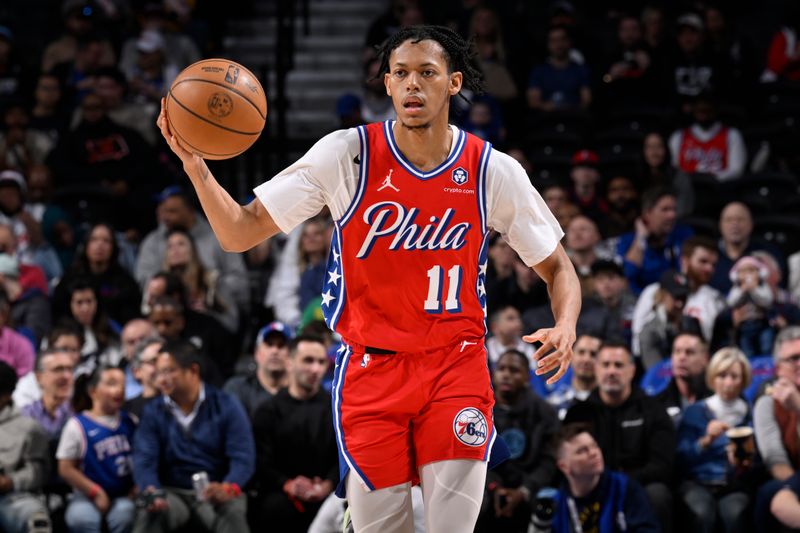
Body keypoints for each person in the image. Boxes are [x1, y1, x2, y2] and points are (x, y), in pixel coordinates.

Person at [157, 24, 581, 532]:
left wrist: (566, 323)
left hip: (455, 366)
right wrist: (197, 167)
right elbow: (239, 232)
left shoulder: (492, 170)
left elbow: (558, 267)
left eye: (427, 73)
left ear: (453, 83)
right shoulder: (346, 155)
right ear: (385, 84)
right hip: (370, 371)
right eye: (400, 73)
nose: (412, 85)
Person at [132, 339, 254, 533]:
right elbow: (144, 460)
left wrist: (229, 487)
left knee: (233, 513)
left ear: (193, 371)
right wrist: (152, 490)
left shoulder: (226, 405)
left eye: (169, 371)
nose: (161, 379)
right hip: (172, 493)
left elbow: (243, 458)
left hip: (216, 490)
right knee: (151, 511)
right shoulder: (153, 411)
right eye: (159, 372)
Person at [565, 340, 676, 533]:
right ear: (596, 370)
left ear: (632, 370)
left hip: (639, 486)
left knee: (658, 494)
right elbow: (568, 461)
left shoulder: (654, 411)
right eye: (605, 365)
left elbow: (662, 466)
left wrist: (619, 483)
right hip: (591, 487)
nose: (611, 371)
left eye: (618, 365)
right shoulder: (579, 413)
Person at [252, 334, 337, 532]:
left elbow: (344, 455)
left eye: (321, 362)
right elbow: (261, 460)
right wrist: (287, 484)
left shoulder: (337, 409)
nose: (316, 369)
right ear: (289, 362)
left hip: (328, 493)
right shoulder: (268, 411)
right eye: (308, 360)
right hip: (281, 496)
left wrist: (328, 483)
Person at [477, 349, 558, 533]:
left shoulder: (545, 412)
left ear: (526, 378)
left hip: (529, 489)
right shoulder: (479, 409)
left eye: (514, 370)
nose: (506, 374)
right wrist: (494, 486)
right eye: (502, 368)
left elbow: (548, 461)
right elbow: (474, 457)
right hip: (489, 487)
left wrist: (524, 490)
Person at [57, 366, 136, 533]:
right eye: (112, 384)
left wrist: (137, 486)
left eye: (123, 384)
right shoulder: (77, 425)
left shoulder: (131, 421)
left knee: (126, 514)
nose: (120, 389)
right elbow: (65, 468)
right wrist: (95, 492)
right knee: (81, 519)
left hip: (124, 494)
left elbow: (143, 459)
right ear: (93, 391)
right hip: (87, 494)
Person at [552, 423, 660, 533]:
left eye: (594, 445)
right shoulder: (556, 505)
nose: (594, 453)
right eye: (582, 451)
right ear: (564, 466)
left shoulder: (624, 488)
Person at [633, 235, 724, 357]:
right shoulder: (655, 290)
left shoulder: (715, 299)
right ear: (684, 260)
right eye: (703, 262)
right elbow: (638, 337)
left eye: (713, 265)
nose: (709, 269)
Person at [753, 326, 800, 531]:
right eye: (793, 358)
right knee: (771, 493)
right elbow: (776, 461)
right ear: (778, 369)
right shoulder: (767, 403)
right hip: (789, 480)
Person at [53, 222, 142, 327]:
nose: (100, 245)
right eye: (94, 240)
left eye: (106, 241)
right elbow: (58, 313)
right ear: (86, 245)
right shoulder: (70, 278)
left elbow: (132, 320)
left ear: (114, 248)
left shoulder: (125, 283)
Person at [0, 361, 51, 533]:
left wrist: (10, 482)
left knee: (35, 519)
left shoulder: (28, 427)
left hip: (12, 497)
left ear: (6, 395)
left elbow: (39, 471)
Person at [616, 186, 693, 294]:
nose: (672, 215)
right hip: (639, 301)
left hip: (678, 297)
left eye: (674, 209)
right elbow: (628, 274)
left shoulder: (684, 235)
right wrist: (641, 239)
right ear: (648, 213)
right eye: (665, 210)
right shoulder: (628, 241)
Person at [668, 93, 746, 182]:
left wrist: (709, 179)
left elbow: (736, 171)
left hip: (719, 189)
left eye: (707, 109)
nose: (703, 113)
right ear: (694, 109)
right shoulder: (679, 136)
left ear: (715, 109)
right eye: (699, 109)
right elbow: (673, 169)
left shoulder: (732, 135)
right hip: (686, 189)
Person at [711, 202, 785, 295]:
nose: (734, 224)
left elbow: (778, 288)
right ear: (720, 225)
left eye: (740, 219)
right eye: (729, 220)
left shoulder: (767, 254)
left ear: (751, 224)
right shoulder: (709, 254)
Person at [223, 321, 292, 419]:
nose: (275, 351)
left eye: (281, 345)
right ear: (257, 352)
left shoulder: (300, 393)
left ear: (291, 354)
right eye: (269, 344)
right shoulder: (238, 389)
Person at [526, 25, 591, 112]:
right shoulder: (539, 71)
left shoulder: (580, 70)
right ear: (548, 44)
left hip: (574, 118)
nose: (558, 44)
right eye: (554, 41)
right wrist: (549, 107)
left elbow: (586, 100)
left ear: (569, 41)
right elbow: (533, 102)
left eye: (562, 39)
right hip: (546, 119)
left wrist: (568, 108)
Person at [655, 330, 712, 425]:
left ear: (705, 359)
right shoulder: (658, 403)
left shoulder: (718, 398)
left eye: (689, 352)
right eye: (677, 352)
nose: (682, 357)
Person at [726, 256, 776, 356]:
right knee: (747, 351)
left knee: (766, 347)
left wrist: (754, 289)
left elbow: (767, 301)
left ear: (760, 273)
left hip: (762, 324)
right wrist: (742, 290)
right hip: (744, 326)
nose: (747, 274)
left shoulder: (762, 286)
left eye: (751, 270)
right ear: (736, 274)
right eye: (743, 271)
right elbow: (731, 302)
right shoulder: (737, 288)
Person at [547, 333, 601, 419]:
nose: (586, 359)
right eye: (581, 352)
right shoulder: (555, 401)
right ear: (570, 356)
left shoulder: (610, 400)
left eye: (593, 354)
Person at [123, 335, 162, 418]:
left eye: (164, 360)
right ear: (136, 371)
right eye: (153, 361)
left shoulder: (184, 403)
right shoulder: (126, 412)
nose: (162, 366)